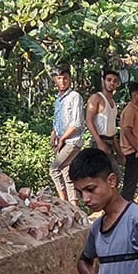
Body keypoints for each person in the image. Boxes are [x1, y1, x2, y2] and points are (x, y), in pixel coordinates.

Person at [50, 65, 84, 202]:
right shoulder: (58, 100)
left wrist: (63, 138)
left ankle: (63, 202)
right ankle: (73, 206)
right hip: (61, 140)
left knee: (54, 169)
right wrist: (54, 133)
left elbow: (76, 124)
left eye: (65, 78)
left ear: (69, 80)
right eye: (59, 78)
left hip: (71, 141)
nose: (63, 81)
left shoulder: (75, 97)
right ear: (55, 80)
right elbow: (58, 120)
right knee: (66, 173)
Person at [85, 70, 121, 170]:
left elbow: (112, 129)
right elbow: (88, 120)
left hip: (110, 142)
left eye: (115, 81)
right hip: (99, 141)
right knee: (103, 174)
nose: (111, 83)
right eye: (109, 80)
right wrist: (99, 142)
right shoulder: (96, 98)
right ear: (103, 81)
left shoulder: (113, 103)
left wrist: (118, 151)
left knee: (110, 175)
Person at [118, 81, 138, 201]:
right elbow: (126, 130)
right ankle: (125, 209)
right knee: (130, 184)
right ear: (134, 94)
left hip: (134, 151)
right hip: (132, 152)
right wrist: (137, 150)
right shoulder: (130, 110)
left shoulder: (135, 109)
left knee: (131, 183)